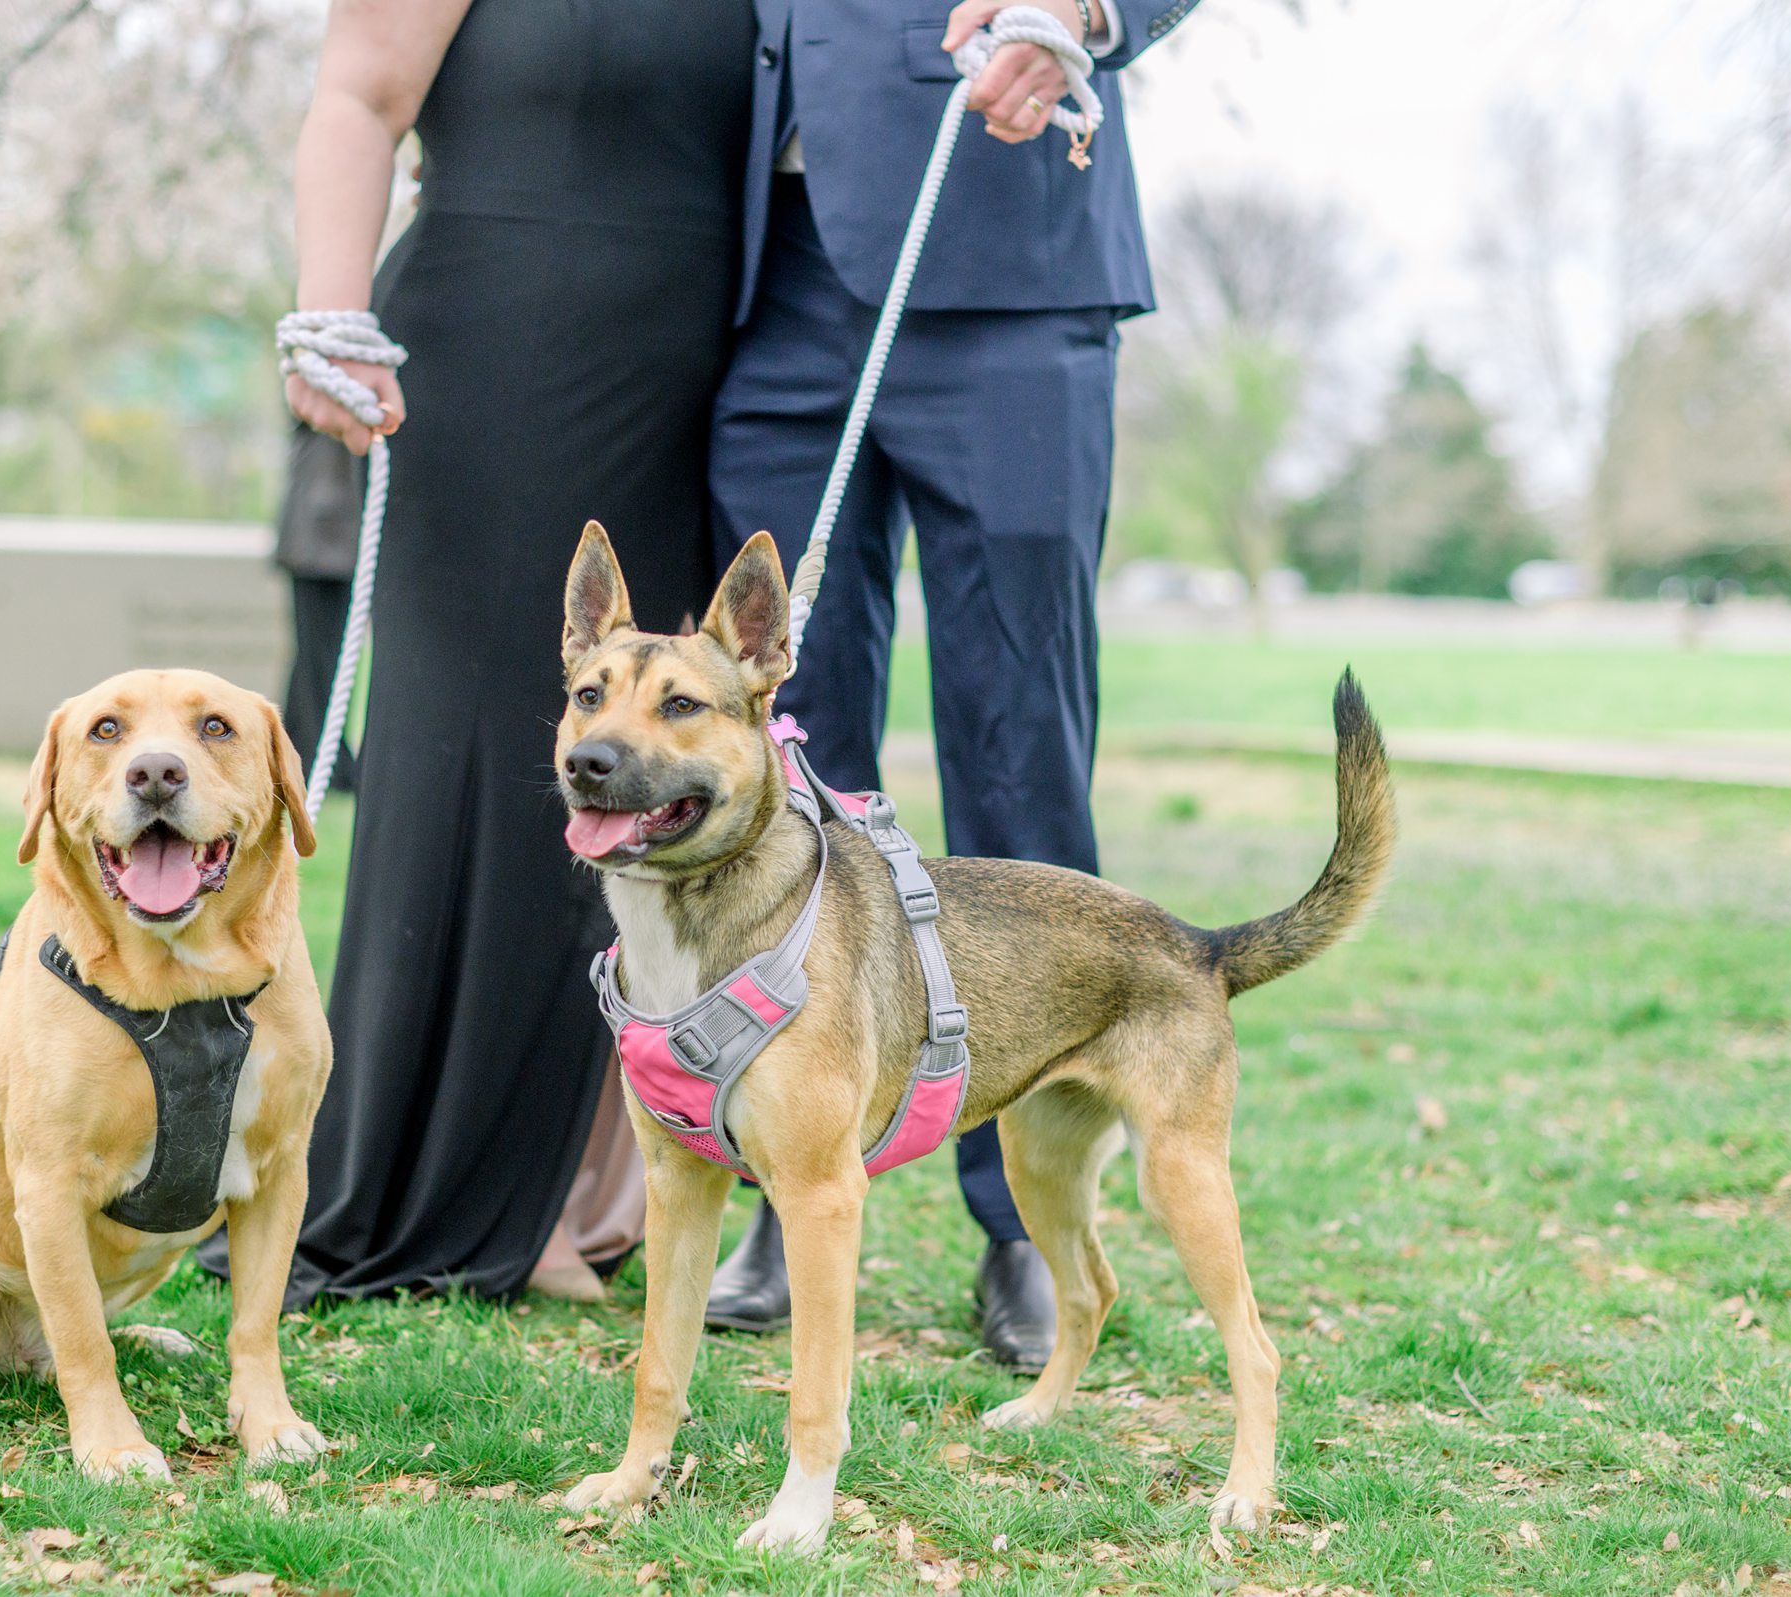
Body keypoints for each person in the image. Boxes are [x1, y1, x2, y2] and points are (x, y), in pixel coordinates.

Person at [233, 0, 755, 1307]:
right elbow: (357, 97)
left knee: (648, 775)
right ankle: (448, 1195)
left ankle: (589, 1195)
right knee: (480, 764)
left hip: (701, 372)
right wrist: (328, 312)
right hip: (496, 350)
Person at [704, 0, 1198, 1368]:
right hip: (769, 282)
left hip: (1005, 263)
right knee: (782, 772)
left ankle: (1027, 1224)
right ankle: (776, 1175)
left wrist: (1091, 8)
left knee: (1018, 748)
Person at [272, 426, 362, 795]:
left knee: (324, 657)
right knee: (318, 657)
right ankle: (315, 759)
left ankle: (308, 754)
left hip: (331, 536)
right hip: (321, 536)